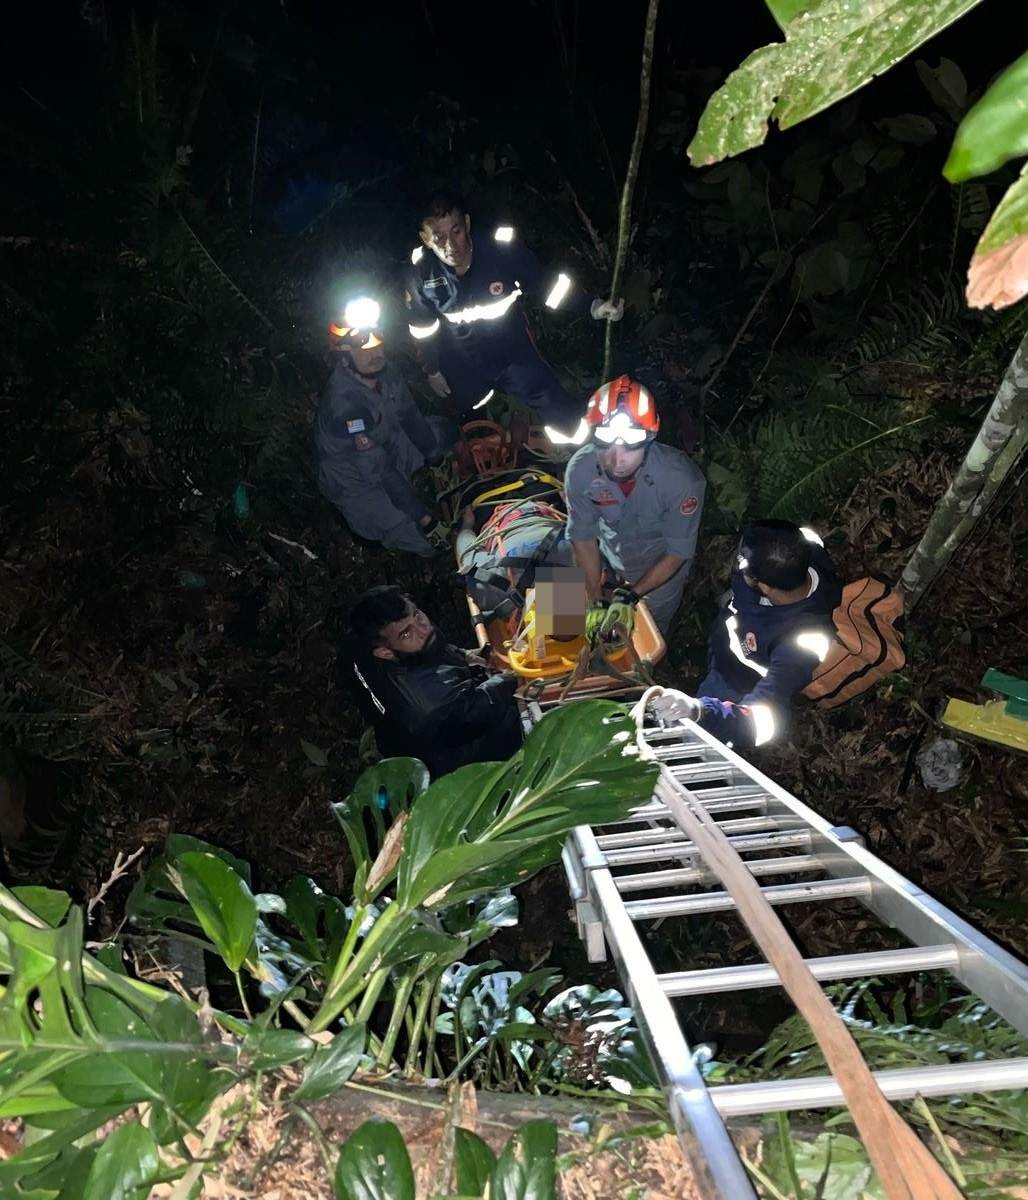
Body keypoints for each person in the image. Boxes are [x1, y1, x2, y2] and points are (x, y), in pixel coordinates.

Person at [404, 189, 624, 437]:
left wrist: (593, 306)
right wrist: (432, 370)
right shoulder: (421, 274)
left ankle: (581, 449)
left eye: (456, 231)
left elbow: (546, 286)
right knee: (474, 423)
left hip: (513, 352)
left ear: (467, 223)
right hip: (463, 360)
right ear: (425, 239)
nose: (451, 246)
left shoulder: (499, 250)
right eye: (439, 238)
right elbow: (422, 329)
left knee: (560, 412)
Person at [650, 521, 842, 748]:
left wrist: (699, 710)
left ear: (765, 587)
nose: (738, 569)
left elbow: (759, 718)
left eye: (743, 568)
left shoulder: (803, 643)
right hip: (726, 641)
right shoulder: (798, 547)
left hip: (736, 683)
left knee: (701, 737)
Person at [564, 375, 705, 637]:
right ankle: (561, 647)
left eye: (631, 445)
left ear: (650, 437)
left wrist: (632, 595)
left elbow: (677, 552)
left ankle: (646, 660)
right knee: (559, 593)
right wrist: (594, 598)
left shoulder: (682, 480)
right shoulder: (580, 470)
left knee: (649, 636)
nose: (617, 459)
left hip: (660, 574)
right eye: (607, 442)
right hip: (608, 558)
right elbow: (582, 537)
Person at [316, 297, 455, 557]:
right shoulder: (345, 407)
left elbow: (410, 415)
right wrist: (427, 521)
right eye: (364, 347)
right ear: (345, 355)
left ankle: (420, 479)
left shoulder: (386, 370)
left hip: (388, 442)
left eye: (377, 341)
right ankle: (363, 524)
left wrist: (435, 458)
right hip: (357, 479)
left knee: (443, 432)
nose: (375, 353)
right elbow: (378, 468)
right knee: (427, 541)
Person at [339, 585, 524, 779]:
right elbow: (480, 705)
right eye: (406, 633)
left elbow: (427, 650)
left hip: (403, 730)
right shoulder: (432, 705)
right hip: (455, 763)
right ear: (384, 652)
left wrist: (464, 655)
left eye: (417, 614)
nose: (423, 628)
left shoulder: (357, 644)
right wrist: (511, 677)